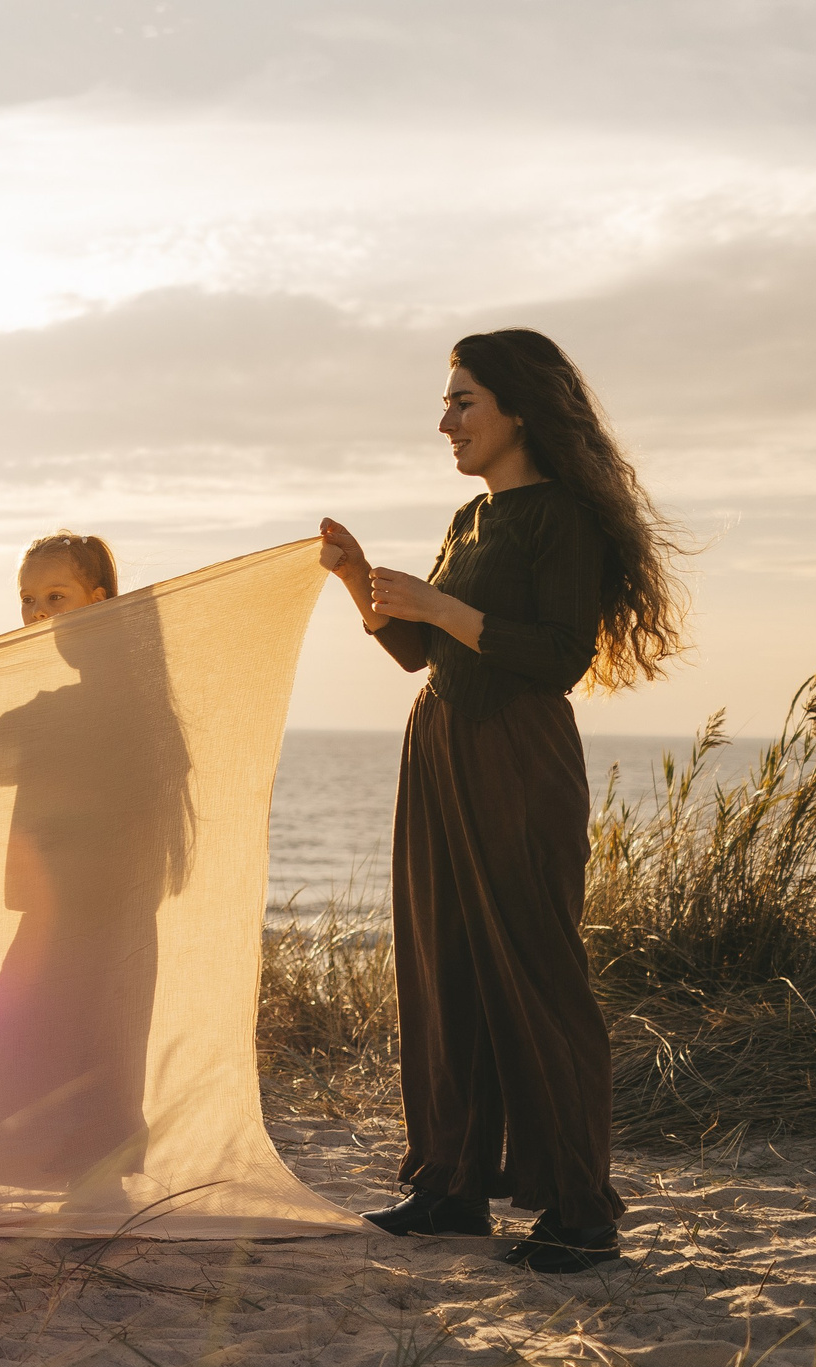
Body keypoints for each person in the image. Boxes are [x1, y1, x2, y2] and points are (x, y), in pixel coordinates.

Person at [318, 329, 685, 1273]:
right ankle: (450, 1187)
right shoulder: (467, 521)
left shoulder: (558, 518)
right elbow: (423, 651)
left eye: (463, 401)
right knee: (443, 966)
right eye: (446, 403)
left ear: (518, 408)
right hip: (439, 741)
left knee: (533, 972)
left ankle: (579, 1209)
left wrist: (436, 607)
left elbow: (559, 653)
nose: (446, 421)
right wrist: (363, 581)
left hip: (517, 752)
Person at [0, 534, 191, 1205]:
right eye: (28, 600)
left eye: (57, 597)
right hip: (101, 906)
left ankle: (46, 1176)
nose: (39, 613)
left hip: (88, 906)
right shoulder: (124, 696)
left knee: (36, 1032)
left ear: (100, 601)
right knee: (83, 1034)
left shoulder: (95, 704)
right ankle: (89, 1179)